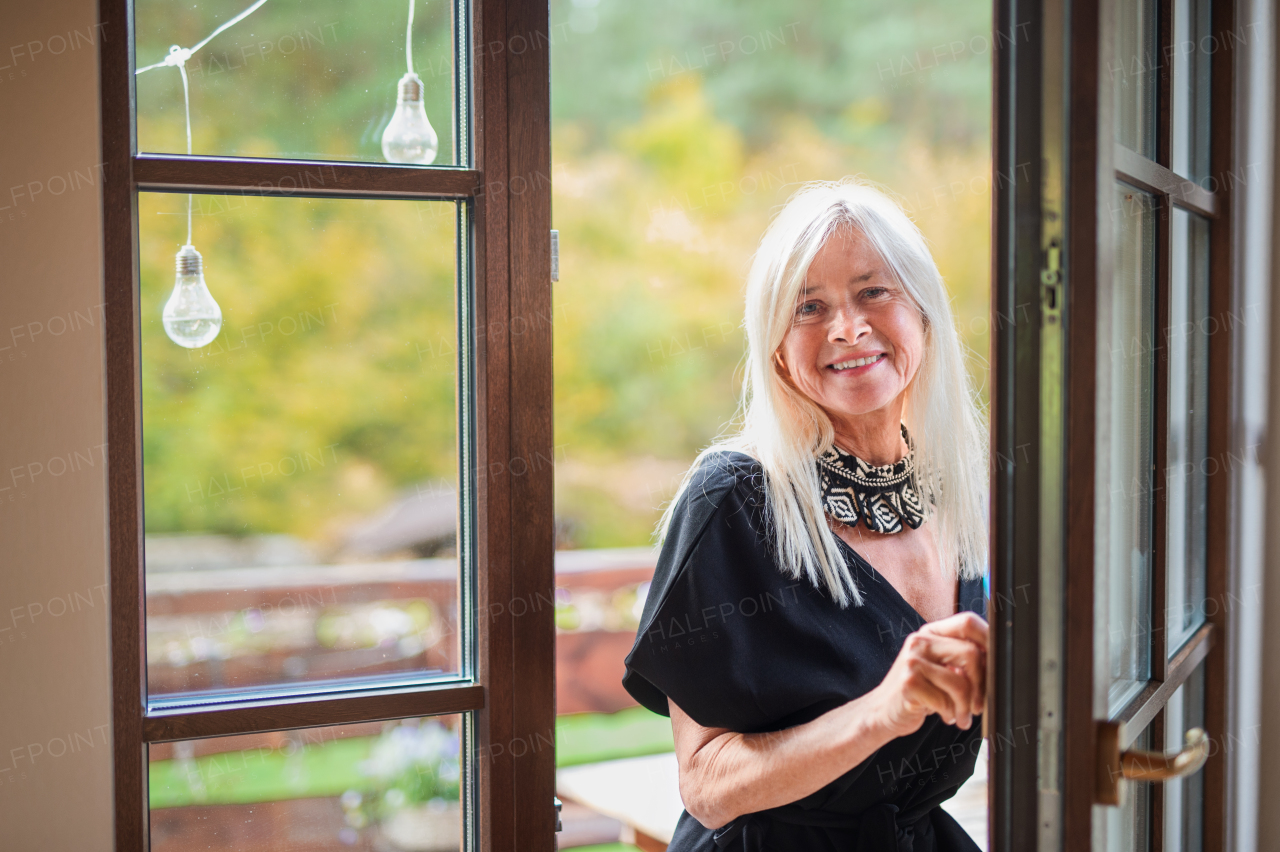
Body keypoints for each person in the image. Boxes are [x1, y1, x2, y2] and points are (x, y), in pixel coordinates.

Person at [623, 179, 990, 851]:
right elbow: (705, 784)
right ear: (778, 355)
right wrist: (885, 711)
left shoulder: (964, 491)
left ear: (925, 312)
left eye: (873, 291)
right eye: (808, 307)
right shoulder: (731, 502)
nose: (847, 327)